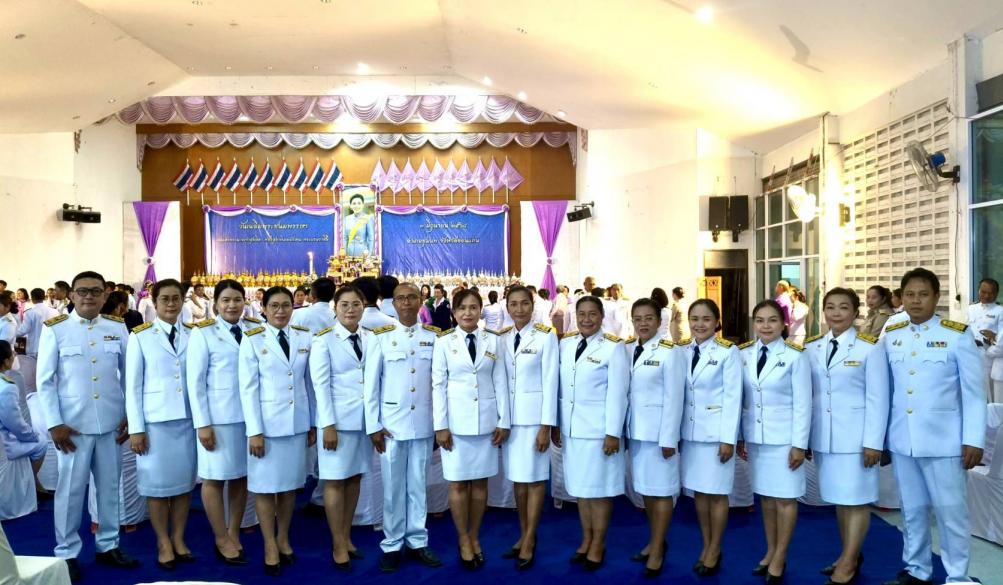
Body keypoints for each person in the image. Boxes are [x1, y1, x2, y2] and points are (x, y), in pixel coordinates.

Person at [879, 268, 985, 585]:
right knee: (912, 510)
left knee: (951, 512)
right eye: (910, 294)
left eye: (923, 294)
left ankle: (958, 577)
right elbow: (887, 390)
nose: (916, 300)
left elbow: (974, 393)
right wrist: (882, 438)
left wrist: (974, 439)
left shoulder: (956, 335)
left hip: (945, 442)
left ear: (936, 297)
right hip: (903, 439)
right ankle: (917, 569)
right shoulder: (893, 334)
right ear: (902, 297)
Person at [37, 271, 138, 582]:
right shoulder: (56, 329)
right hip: (72, 428)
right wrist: (54, 423)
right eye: (82, 291)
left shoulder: (117, 327)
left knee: (109, 488)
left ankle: (108, 545)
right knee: (69, 492)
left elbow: (129, 376)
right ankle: (66, 552)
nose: (89, 296)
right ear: (71, 295)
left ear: (105, 295)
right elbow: (45, 381)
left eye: (95, 291)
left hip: (110, 424)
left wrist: (130, 415)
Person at [805, 288, 889, 585]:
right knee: (841, 500)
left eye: (843, 307)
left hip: (856, 440)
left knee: (856, 501)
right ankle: (848, 554)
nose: (836, 313)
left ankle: (849, 561)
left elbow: (879, 398)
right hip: (825, 438)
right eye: (830, 307)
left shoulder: (870, 348)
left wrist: (873, 443)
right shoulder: (813, 347)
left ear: (855, 312)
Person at [364, 283, 443, 573]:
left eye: (411, 297)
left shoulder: (434, 337)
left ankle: (418, 540)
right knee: (393, 487)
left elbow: (439, 384)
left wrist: (439, 424)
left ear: (421, 301)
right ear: (393, 303)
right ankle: (392, 543)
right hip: (391, 426)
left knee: (419, 485)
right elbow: (371, 385)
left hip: (423, 422)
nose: (407, 303)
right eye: (401, 298)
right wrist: (373, 425)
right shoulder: (381, 337)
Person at [238, 286, 316, 577]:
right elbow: (248, 389)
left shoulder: (304, 337)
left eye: (286, 305)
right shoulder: (253, 339)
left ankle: (283, 537)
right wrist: (255, 431)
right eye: (274, 306)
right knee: (265, 487)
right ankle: (269, 543)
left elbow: (310, 384)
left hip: (296, 424)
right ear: (264, 308)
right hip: (267, 428)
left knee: (289, 486)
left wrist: (312, 422)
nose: (281, 311)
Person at [432, 289, 510, 571]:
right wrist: (440, 426)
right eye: (462, 308)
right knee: (457, 484)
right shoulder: (443, 342)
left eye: (473, 307)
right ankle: (463, 538)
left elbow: (500, 381)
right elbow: (438, 385)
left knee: (480, 484)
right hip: (455, 425)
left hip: (486, 423)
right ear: (454, 312)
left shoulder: (494, 340)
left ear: (481, 311)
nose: (468, 313)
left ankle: (474, 535)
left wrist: (504, 420)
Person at [186, 279, 260, 565]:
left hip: (250, 419)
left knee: (241, 476)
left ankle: (233, 531)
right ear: (215, 304)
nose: (232, 305)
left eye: (237, 300)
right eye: (226, 300)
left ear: (245, 302)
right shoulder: (203, 333)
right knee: (214, 478)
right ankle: (220, 536)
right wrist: (202, 424)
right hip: (218, 419)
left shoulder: (255, 329)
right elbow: (195, 383)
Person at [125, 279, 197, 571]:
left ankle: (178, 537)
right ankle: (162, 541)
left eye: (176, 298)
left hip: (188, 421)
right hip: (154, 423)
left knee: (183, 484)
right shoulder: (140, 336)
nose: (171, 304)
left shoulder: (194, 334)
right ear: (154, 303)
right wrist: (136, 428)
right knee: (156, 486)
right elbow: (132, 387)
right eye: (164, 298)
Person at [738, 299, 811, 584]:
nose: (765, 326)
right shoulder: (744, 354)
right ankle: (770, 550)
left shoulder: (795, 356)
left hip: (784, 440)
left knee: (785, 499)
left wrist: (799, 444)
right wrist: (741, 436)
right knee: (766, 498)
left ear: (784, 324)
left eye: (772, 320)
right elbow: (742, 399)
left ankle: (780, 555)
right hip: (757, 439)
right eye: (760, 320)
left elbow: (803, 404)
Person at [554, 295, 629, 571]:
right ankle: (586, 539)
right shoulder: (566, 344)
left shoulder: (613, 347)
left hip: (599, 433)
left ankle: (598, 542)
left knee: (599, 492)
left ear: (601, 316)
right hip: (573, 431)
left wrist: (613, 433)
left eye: (592, 314)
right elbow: (561, 388)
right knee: (582, 491)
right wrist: (558, 425)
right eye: (581, 314)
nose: (586, 319)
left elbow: (618, 394)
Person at [310, 285, 372, 571]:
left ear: (363, 306)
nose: (350, 309)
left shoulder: (371, 337)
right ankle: (337, 541)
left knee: (354, 478)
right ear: (334, 308)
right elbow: (321, 386)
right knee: (335, 481)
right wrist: (328, 425)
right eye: (344, 304)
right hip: (336, 423)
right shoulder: (323, 340)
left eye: (356, 304)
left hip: (363, 421)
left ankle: (346, 535)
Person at [678, 299, 742, 576]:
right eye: (694, 318)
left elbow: (733, 398)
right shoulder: (681, 350)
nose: (699, 324)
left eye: (706, 319)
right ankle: (706, 544)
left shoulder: (728, 352)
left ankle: (715, 548)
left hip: (716, 435)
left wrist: (728, 439)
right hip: (690, 434)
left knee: (716, 494)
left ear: (717, 322)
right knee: (699, 494)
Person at [497, 286, 559, 570]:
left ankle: (531, 538)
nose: (519, 309)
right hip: (511, 422)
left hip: (534, 421)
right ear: (507, 307)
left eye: (524, 303)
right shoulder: (502, 337)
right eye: (514, 304)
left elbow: (551, 382)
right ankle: (523, 534)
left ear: (533, 306)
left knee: (535, 481)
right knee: (518, 482)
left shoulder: (546, 336)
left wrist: (546, 425)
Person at [624, 298, 685, 578]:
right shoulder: (628, 349)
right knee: (646, 491)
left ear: (659, 321)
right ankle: (655, 540)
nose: (643, 323)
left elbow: (675, 397)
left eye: (648, 318)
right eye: (638, 318)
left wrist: (669, 438)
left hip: (659, 436)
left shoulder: (670, 352)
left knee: (662, 492)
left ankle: (658, 548)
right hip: (636, 433)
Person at [0, 341, 48, 497]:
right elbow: (15, 424)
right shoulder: (7, 387)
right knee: (41, 443)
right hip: (4, 445)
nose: (15, 354)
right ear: (5, 361)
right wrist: (32, 436)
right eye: (12, 353)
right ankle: (31, 484)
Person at [15, 288, 57, 393]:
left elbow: (23, 330)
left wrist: (13, 333)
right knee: (49, 373)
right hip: (51, 347)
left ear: (32, 298)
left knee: (34, 377)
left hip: (34, 349)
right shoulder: (54, 311)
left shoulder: (30, 313)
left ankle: (36, 395)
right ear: (44, 297)